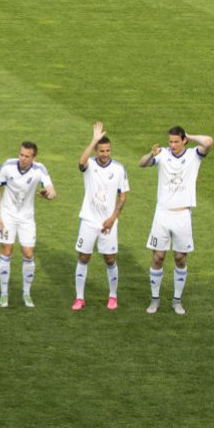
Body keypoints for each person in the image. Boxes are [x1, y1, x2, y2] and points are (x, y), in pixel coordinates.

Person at [139, 127, 213, 315]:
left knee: (180, 257)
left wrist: (190, 135)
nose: (172, 145)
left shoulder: (193, 155)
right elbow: (142, 164)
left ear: (183, 141)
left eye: (176, 141)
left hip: (182, 215)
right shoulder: (162, 154)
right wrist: (151, 153)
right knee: (158, 257)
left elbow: (209, 142)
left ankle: (177, 300)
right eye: (170, 141)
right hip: (162, 214)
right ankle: (154, 300)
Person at [72, 122, 129, 311]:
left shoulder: (119, 169)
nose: (105, 154)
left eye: (107, 150)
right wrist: (93, 140)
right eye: (101, 150)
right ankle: (79, 298)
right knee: (83, 257)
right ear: (96, 151)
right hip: (88, 220)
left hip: (108, 222)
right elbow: (80, 162)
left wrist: (113, 217)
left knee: (110, 259)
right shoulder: (90, 166)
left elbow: (123, 196)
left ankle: (113, 296)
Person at [0, 141, 56, 308]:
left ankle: (26, 293)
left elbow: (52, 191)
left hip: (26, 218)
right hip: (7, 214)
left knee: (28, 253)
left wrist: (47, 194)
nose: (22, 158)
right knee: (6, 250)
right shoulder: (8, 166)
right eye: (21, 154)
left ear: (33, 157)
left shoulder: (39, 169)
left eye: (27, 156)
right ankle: (4, 294)